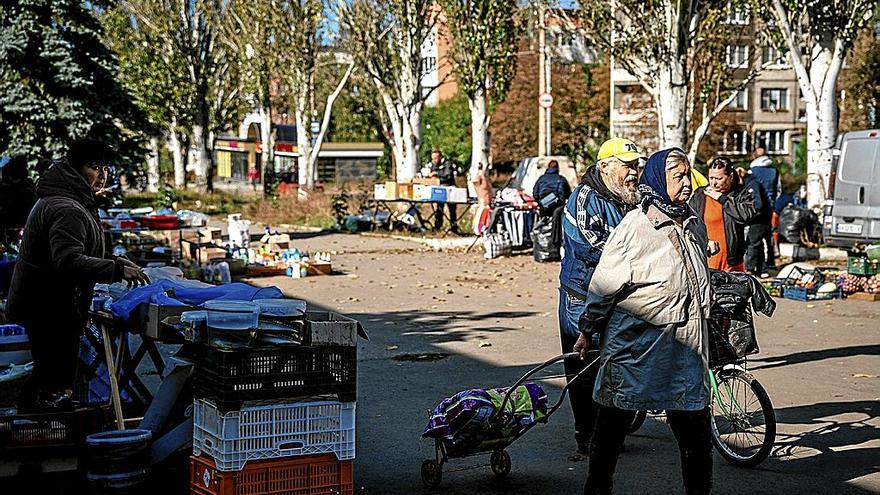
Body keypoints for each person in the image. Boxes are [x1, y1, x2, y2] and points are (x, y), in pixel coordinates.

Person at [575, 148, 714, 495]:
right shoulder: (635, 228)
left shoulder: (691, 223)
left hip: (684, 350)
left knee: (696, 436)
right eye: (678, 176)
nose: (687, 182)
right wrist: (588, 328)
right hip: (635, 350)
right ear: (657, 180)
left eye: (688, 175)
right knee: (610, 431)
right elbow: (604, 287)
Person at [7, 139, 150, 412]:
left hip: (52, 304)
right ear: (75, 168)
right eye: (94, 167)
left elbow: (78, 250)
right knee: (51, 376)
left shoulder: (72, 201)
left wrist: (115, 260)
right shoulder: (67, 208)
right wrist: (116, 270)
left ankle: (38, 424)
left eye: (105, 168)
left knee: (49, 374)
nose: (102, 175)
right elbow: (68, 261)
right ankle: (40, 431)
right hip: (49, 306)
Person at [558, 137, 645, 455]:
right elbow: (590, 246)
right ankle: (588, 434)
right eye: (627, 165)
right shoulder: (583, 198)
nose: (634, 172)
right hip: (583, 296)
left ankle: (611, 429)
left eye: (636, 165)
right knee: (584, 368)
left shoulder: (632, 197)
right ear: (605, 166)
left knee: (620, 363)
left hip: (622, 294)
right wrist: (638, 256)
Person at [689, 157, 759, 272]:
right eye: (711, 178)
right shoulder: (700, 195)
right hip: (705, 256)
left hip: (732, 260)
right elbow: (690, 221)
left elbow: (746, 215)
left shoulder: (740, 194)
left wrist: (722, 199)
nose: (713, 183)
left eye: (719, 178)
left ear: (730, 177)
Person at [746, 148, 780, 272]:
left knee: (755, 239)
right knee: (768, 236)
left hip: (757, 208)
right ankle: (770, 262)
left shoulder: (752, 171)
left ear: (755, 157)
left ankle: (759, 267)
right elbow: (779, 190)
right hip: (770, 208)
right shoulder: (774, 171)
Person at [426, 149, 461, 233]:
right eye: (433, 159)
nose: (434, 161)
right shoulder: (433, 165)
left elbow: (448, 175)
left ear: (440, 157)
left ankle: (454, 228)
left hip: (449, 189)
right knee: (439, 209)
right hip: (439, 189)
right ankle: (437, 227)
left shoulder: (447, 164)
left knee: (452, 210)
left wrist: (436, 174)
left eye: (436, 158)